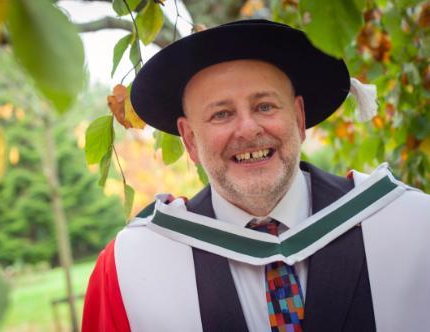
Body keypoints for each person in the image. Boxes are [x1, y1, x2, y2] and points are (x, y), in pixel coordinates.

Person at [82, 20, 429, 332]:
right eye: (221, 114)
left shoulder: (411, 227)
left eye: (265, 106)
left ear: (298, 117)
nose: (248, 130)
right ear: (189, 140)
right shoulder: (130, 268)